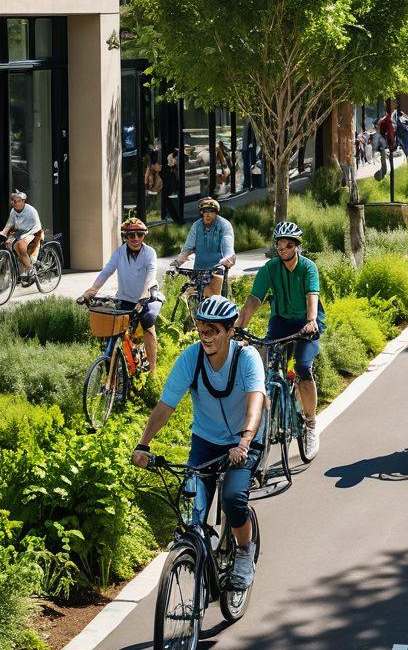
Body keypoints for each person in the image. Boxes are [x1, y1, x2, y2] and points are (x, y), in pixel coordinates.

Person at [131, 295, 265, 589]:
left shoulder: (246, 358)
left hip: (245, 440)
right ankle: (199, 554)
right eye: (201, 330)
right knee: (193, 509)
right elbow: (166, 406)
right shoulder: (191, 358)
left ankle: (244, 552)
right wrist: (143, 444)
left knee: (232, 499)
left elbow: (256, 403)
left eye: (212, 331)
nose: (205, 337)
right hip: (206, 440)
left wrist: (244, 442)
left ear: (230, 331)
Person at [236, 221, 324, 460]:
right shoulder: (270, 269)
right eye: (279, 244)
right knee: (265, 366)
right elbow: (254, 299)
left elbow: (311, 296)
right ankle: (264, 420)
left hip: (307, 322)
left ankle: (311, 424)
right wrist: (239, 326)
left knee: (303, 368)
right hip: (281, 320)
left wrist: (311, 320)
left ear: (296, 246)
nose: (282, 248)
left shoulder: (308, 268)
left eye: (287, 244)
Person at [81, 217, 161, 378]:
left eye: (140, 234)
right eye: (132, 235)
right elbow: (107, 271)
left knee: (148, 322)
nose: (136, 239)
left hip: (147, 297)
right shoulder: (119, 253)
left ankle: (153, 372)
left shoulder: (149, 253)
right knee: (114, 328)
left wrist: (144, 296)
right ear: (125, 237)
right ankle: (113, 364)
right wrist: (92, 290)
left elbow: (151, 275)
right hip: (125, 297)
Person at [173, 197, 236, 297]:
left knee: (215, 297)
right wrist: (179, 261)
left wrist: (227, 258)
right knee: (192, 297)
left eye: (211, 211)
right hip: (199, 269)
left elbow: (227, 245)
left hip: (217, 269)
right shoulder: (196, 226)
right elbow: (188, 248)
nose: (207, 214)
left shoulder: (224, 225)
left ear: (216, 212)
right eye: (204, 211)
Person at [0, 191, 43, 285]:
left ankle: (31, 271)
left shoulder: (31, 210)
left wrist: (24, 236)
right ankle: (23, 269)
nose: (15, 203)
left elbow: (37, 226)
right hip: (20, 232)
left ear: (23, 201)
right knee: (10, 245)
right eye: (13, 201)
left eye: (17, 201)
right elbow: (10, 223)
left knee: (20, 245)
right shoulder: (13, 211)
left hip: (34, 231)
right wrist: (4, 233)